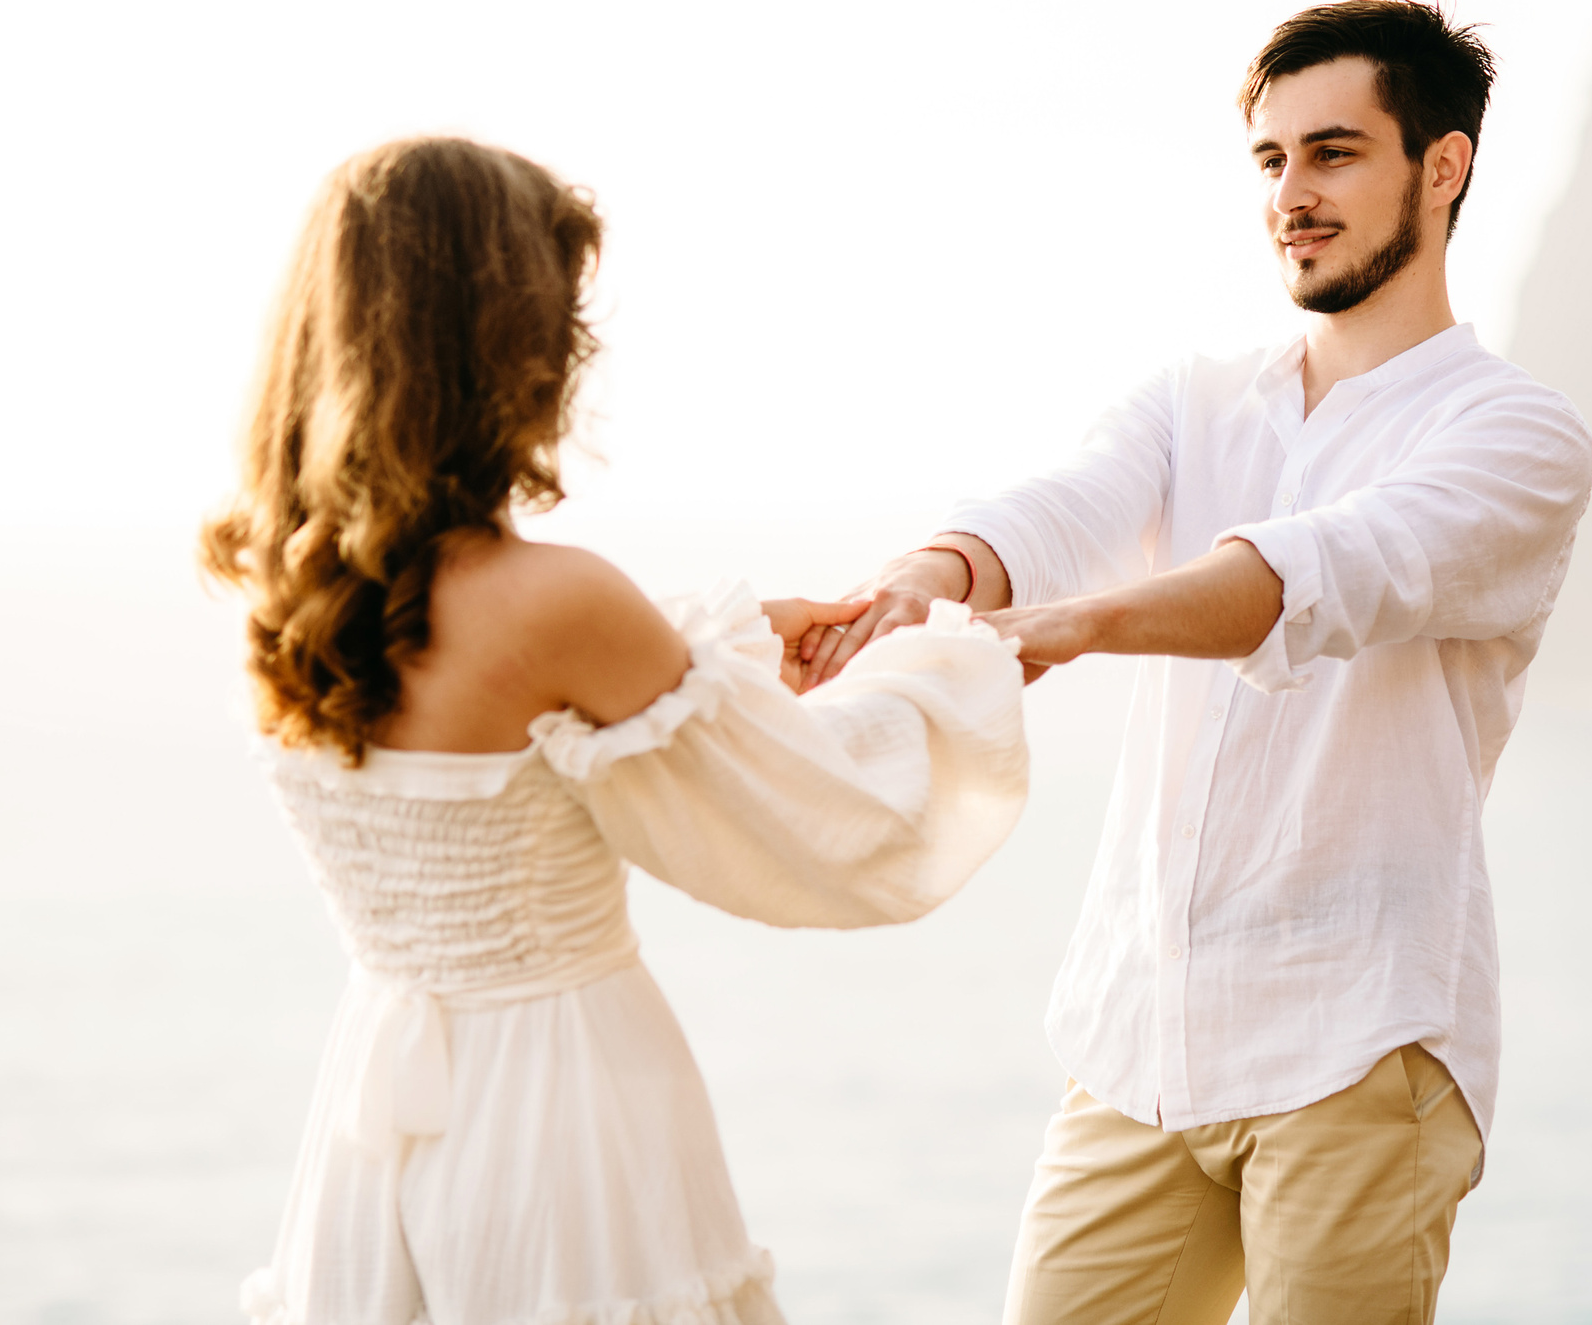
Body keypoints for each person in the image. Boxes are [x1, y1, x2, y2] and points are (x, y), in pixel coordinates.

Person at [806, 0, 1592, 1324]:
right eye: (1272, 159)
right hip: (1140, 1040)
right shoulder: (1195, 396)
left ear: (1442, 166)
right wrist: (907, 590)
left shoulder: (1516, 433)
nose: (1292, 191)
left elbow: (1330, 566)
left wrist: (1068, 628)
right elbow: (1059, 510)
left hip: (1361, 1048)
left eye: (1334, 151)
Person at [202, 136, 1029, 1325]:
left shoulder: (285, 590)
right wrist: (955, 665)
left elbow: (558, 714)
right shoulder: (555, 602)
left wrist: (729, 644)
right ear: (500, 340)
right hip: (559, 1109)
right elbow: (833, 819)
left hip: (373, 1111)